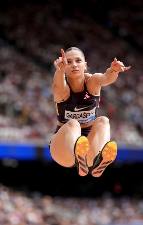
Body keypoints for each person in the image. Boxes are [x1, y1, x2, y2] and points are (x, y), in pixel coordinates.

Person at [49, 47, 131, 177]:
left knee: (103, 120)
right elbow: (58, 85)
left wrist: (114, 70)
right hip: (63, 149)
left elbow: (106, 78)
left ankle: (99, 159)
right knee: (73, 123)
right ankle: (78, 155)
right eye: (69, 62)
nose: (74, 64)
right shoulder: (62, 88)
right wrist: (59, 72)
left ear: (85, 65)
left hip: (88, 149)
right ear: (64, 66)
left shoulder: (92, 81)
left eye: (78, 60)